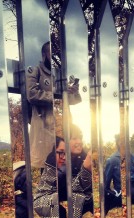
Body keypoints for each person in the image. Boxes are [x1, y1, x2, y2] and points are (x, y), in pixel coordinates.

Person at [26, 41, 81, 169]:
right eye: (52, 53)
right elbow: (31, 94)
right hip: (44, 128)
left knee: (64, 168)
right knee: (47, 166)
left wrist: (74, 92)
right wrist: (55, 94)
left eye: (57, 53)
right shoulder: (36, 71)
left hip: (63, 127)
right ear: (44, 54)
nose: (55, 56)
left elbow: (73, 101)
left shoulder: (60, 75)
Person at [34, 135, 93, 218]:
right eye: (60, 152)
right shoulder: (52, 161)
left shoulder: (80, 155)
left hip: (65, 192)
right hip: (48, 198)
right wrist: (86, 169)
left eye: (66, 153)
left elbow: (80, 187)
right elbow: (71, 186)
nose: (64, 157)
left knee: (87, 198)